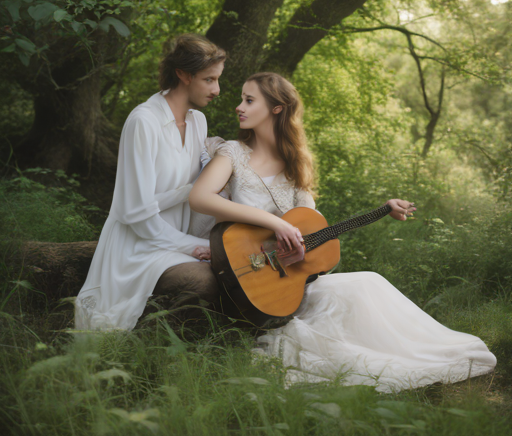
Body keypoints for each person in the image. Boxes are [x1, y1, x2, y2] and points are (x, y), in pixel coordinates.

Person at [188, 72, 496, 393]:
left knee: (368, 283)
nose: (239, 107)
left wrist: (304, 249)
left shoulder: (295, 166)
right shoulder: (233, 153)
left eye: (249, 100)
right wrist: (276, 223)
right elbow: (201, 197)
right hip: (246, 266)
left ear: (277, 109)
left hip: (282, 278)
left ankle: (416, 356)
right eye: (242, 98)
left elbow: (313, 229)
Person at [75, 34, 225, 331]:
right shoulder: (143, 121)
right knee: (205, 281)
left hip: (173, 241)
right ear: (183, 74)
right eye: (209, 80)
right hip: (137, 244)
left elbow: (194, 190)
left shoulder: (198, 122)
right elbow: (135, 213)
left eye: (217, 80)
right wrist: (196, 246)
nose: (217, 90)